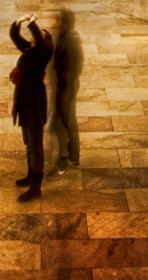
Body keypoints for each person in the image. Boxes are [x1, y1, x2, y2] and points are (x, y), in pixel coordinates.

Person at [10, 13, 53, 202]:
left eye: (38, 36)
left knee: (36, 146)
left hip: (34, 105)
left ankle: (36, 187)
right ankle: (30, 174)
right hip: (24, 103)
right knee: (28, 142)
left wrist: (33, 23)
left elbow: (38, 39)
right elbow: (15, 37)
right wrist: (19, 22)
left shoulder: (42, 54)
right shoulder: (29, 50)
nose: (34, 37)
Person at [46, 9, 83, 178]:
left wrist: (60, 86)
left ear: (66, 23)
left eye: (58, 20)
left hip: (65, 89)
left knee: (60, 125)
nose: (54, 22)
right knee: (68, 122)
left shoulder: (70, 41)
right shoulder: (64, 36)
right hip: (64, 87)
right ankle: (74, 157)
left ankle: (62, 162)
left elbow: (72, 68)